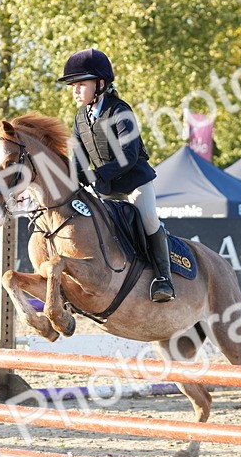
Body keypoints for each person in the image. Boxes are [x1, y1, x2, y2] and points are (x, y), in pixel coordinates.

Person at [58, 47, 174, 302]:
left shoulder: (120, 111)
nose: (75, 91)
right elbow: (78, 159)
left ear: (100, 84)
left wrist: (96, 175)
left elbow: (128, 155)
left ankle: (163, 278)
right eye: (73, 86)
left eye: (81, 84)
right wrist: (72, 179)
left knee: (149, 219)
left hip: (134, 183)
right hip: (106, 188)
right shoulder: (80, 118)